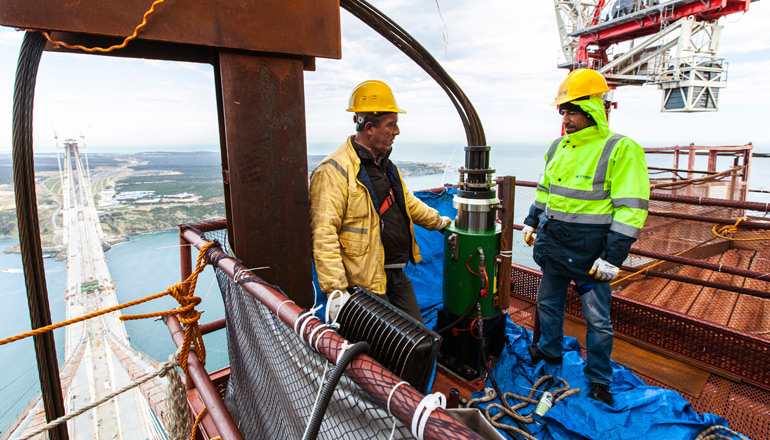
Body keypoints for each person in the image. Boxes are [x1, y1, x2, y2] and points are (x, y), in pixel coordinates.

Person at [521, 69, 649, 407]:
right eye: (562, 112)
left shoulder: (620, 148)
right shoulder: (557, 147)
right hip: (554, 246)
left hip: (591, 254)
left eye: (572, 111)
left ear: (592, 109)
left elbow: (631, 208)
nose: (566, 119)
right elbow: (545, 190)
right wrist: (531, 220)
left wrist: (613, 257)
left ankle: (599, 379)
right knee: (548, 305)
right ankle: (548, 352)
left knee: (598, 321)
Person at [309, 80, 451, 323]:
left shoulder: (385, 165)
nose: (397, 131)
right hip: (364, 283)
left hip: (394, 273)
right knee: (384, 344)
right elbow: (324, 234)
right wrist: (336, 291)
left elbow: (409, 204)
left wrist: (442, 224)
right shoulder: (333, 171)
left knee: (419, 337)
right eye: (391, 124)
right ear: (370, 127)